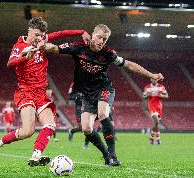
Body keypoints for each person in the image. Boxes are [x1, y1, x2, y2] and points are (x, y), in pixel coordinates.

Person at [42, 24, 164, 166]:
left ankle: (113, 155)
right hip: (87, 95)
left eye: (104, 39)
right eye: (99, 37)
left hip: (104, 88)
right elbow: (54, 48)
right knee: (86, 129)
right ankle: (105, 154)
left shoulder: (108, 53)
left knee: (103, 113)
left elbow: (129, 65)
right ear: (92, 35)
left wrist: (151, 75)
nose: (101, 41)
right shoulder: (78, 47)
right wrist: (40, 45)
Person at [0, 17, 90, 167]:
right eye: (37, 34)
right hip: (25, 91)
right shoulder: (19, 46)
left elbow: (60, 34)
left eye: (41, 35)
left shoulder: (42, 40)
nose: (39, 38)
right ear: (29, 31)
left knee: (50, 125)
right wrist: (25, 57)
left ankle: (36, 155)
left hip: (40, 93)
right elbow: (10, 63)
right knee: (28, 131)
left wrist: (81, 32)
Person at [143, 79, 168, 145]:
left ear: (157, 79)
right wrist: (148, 95)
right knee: (156, 121)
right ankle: (158, 138)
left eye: (155, 79)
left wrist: (161, 96)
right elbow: (144, 96)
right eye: (153, 79)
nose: (154, 80)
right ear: (151, 79)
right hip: (151, 106)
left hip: (159, 106)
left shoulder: (161, 86)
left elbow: (166, 95)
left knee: (156, 123)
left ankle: (151, 137)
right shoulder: (147, 87)